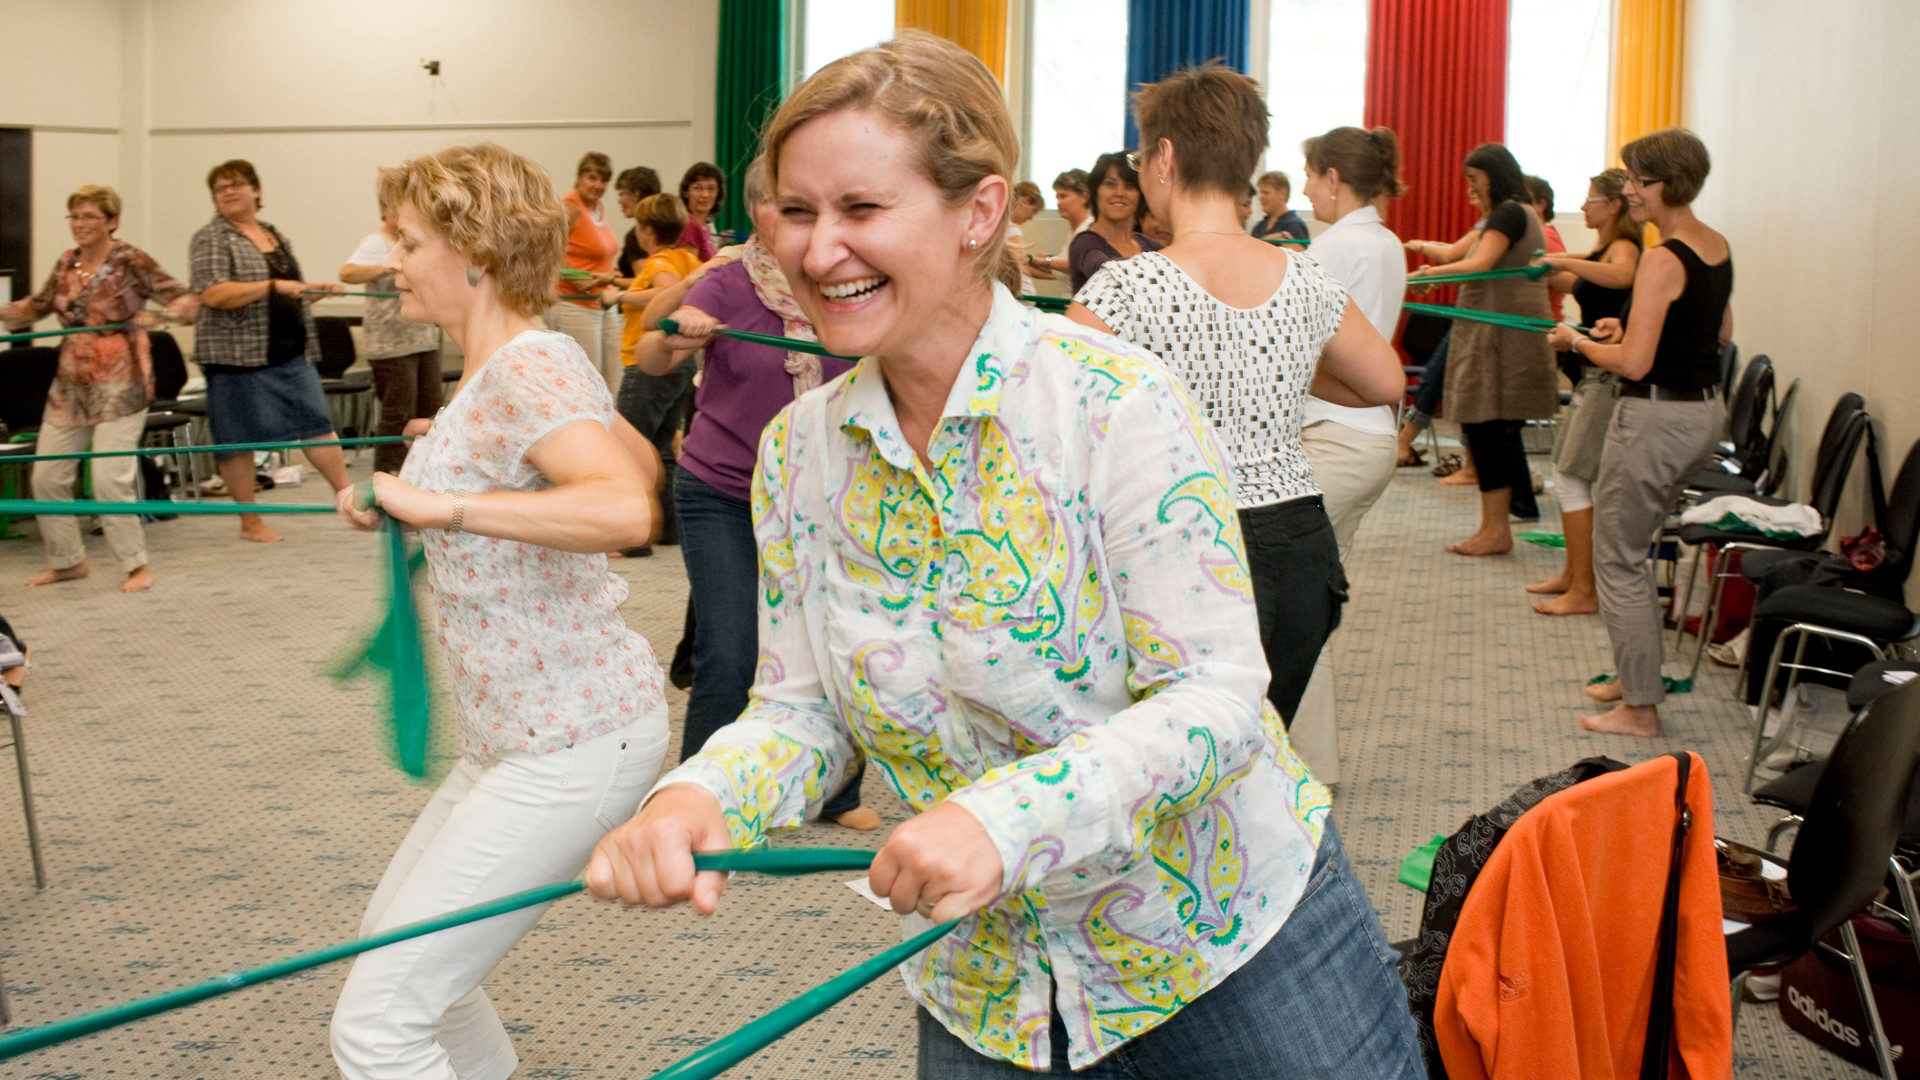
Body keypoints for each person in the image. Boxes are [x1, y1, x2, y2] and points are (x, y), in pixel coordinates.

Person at [587, 36, 1422, 1080]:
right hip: (995, 987)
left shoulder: (1116, 401)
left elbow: (1217, 699)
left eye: (861, 209)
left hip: (1221, 950)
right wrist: (700, 797)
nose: (817, 249)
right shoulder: (800, 453)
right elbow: (802, 708)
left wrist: (1002, 820)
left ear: (979, 213)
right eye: (796, 213)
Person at [330, 142, 670, 1080]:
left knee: (379, 1027)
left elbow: (626, 507)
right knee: (396, 957)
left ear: (473, 250)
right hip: (521, 735)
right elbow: (633, 460)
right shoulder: (508, 372)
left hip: (572, 740)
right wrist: (446, 458)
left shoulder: (527, 365)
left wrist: (447, 499)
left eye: (406, 240)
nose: (390, 259)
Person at [1071, 69, 1406, 731]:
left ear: (1164, 158)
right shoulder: (1303, 271)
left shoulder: (1127, 288)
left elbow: (1055, 425)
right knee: (1257, 754)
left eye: (1140, 161)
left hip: (1187, 546)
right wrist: (1274, 366)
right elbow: (1384, 384)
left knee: (1179, 763)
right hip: (1301, 546)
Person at [629, 158, 875, 829]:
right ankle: (695, 803)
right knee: (732, 649)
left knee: (837, 644)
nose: (790, 218)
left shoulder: (851, 281)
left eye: (803, 205)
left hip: (826, 494)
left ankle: (837, 791)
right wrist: (677, 338)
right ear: (756, 212)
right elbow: (651, 358)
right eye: (777, 205)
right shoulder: (730, 279)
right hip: (723, 490)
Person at [1546, 128, 1732, 738]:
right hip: (1702, 412)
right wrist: (1623, 330)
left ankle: (1640, 709)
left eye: (1635, 181)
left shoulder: (1661, 256)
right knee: (1631, 540)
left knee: (1618, 557)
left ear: (1666, 186)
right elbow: (1718, 335)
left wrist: (1576, 341)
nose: (1626, 191)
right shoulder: (1714, 245)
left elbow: (1635, 366)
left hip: (1656, 418)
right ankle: (1635, 677)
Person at [1285, 126, 1410, 783]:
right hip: (1366, 438)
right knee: (1303, 599)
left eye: (1309, 175)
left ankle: (1304, 764)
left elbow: (1291, 344)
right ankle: (1309, 760)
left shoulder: (1334, 246)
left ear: (1334, 177)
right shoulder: (1383, 241)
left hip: (1334, 436)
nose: (1305, 189)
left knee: (1279, 598)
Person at [0, 184, 195, 592]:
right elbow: (35, 308)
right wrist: (5, 312)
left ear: (112, 221)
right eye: (74, 216)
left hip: (122, 382)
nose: (80, 224)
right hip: (71, 383)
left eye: (89, 216)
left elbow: (184, 301)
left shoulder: (131, 260)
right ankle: (68, 561)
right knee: (48, 477)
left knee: (109, 477)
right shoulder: (66, 264)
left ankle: (136, 564)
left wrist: (160, 317)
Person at [189, 159, 354, 543]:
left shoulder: (273, 233)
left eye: (237, 184)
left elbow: (286, 288)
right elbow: (212, 293)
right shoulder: (211, 238)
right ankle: (250, 523)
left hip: (291, 352)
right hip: (235, 359)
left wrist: (314, 290)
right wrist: (273, 287)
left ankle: (347, 498)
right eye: (220, 188)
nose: (228, 192)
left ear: (256, 191)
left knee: (318, 426)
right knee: (237, 443)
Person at [1407, 143, 1556, 556]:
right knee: (1487, 430)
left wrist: (1422, 277)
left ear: (1495, 174)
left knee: (1493, 432)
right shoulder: (1504, 214)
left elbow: (1477, 265)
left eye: (1474, 179)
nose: (1469, 188)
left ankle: (1496, 529)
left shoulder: (1510, 211)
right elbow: (1460, 254)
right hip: (1490, 335)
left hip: (1502, 341)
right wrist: (1424, 262)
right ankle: (1494, 526)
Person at [1526, 168, 1641, 616]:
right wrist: (1542, 269)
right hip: (1591, 375)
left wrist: (1564, 260)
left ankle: (1585, 589)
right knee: (1566, 468)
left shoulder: (1624, 248)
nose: (1586, 205)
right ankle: (1574, 575)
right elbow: (1581, 283)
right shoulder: (1602, 250)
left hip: (1607, 379)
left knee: (1574, 477)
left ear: (1614, 205)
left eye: (1592, 199)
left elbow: (1622, 277)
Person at [613, 192, 703, 548]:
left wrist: (619, 298)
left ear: (647, 230)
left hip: (646, 363)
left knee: (627, 446)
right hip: (680, 365)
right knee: (663, 446)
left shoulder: (660, 262)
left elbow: (665, 292)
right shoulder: (688, 258)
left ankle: (630, 536)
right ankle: (669, 529)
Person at [340, 193, 443, 476]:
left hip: (422, 336)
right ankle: (387, 474)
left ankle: (424, 473)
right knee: (398, 411)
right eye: (397, 209)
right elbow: (347, 273)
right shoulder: (377, 242)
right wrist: (385, 266)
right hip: (390, 342)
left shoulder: (416, 241)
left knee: (431, 408)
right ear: (385, 212)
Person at [547, 151, 623, 391]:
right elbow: (550, 247)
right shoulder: (570, 206)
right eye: (592, 178)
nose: (598, 185)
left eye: (603, 180)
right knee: (586, 380)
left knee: (613, 379)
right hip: (575, 303)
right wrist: (580, 281)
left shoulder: (599, 208)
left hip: (604, 301)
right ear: (579, 178)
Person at [1067, 151, 1161, 293]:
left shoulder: (1148, 244)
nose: (1119, 193)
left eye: (1129, 186)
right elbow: (1109, 273)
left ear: (1141, 195)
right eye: (1110, 184)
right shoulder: (1085, 243)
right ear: (1095, 192)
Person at [1023, 169, 1090, 279]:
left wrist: (1046, 261)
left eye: (1063, 196)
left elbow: (1079, 265)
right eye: (1057, 197)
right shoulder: (1073, 233)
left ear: (1084, 197)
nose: (1059, 203)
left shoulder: (1089, 230)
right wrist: (1033, 261)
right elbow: (1062, 269)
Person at [1525, 174, 1568, 321]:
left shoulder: (1544, 237)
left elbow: (1566, 282)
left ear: (1541, 205)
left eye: (1523, 200)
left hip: (1540, 326)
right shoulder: (1534, 235)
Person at [613, 166, 663, 279]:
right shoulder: (668, 226)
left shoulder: (638, 235)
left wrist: (612, 281)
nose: (619, 200)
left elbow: (645, 281)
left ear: (636, 194)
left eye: (621, 194)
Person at [677, 162, 724, 261]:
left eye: (711, 188)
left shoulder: (705, 226)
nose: (705, 195)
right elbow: (689, 271)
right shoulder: (689, 226)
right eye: (698, 188)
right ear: (686, 192)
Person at [1007, 180, 1045, 292]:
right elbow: (1022, 265)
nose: (1030, 218)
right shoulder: (1011, 228)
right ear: (1024, 201)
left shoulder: (1005, 227)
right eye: (1033, 212)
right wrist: (1058, 274)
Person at [1250, 170, 1309, 240]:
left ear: (1282, 194)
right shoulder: (1260, 226)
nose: (1261, 198)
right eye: (1260, 193)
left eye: (1266, 193)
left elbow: (1300, 250)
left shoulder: (1294, 225)